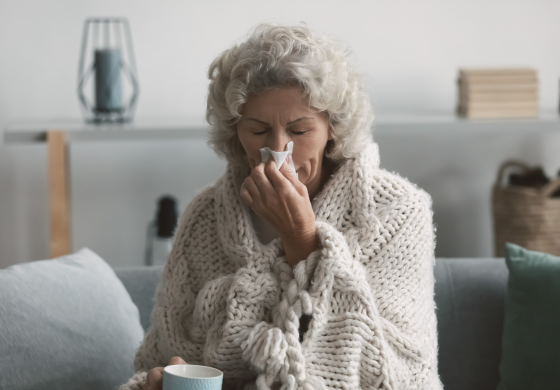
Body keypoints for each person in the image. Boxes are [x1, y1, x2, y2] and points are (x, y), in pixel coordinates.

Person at [119, 23, 442, 390]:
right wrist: (162, 380)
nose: (277, 151)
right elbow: (161, 359)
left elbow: (391, 373)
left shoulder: (397, 212)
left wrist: (301, 236)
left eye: (300, 131)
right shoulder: (205, 216)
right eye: (257, 130)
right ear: (234, 131)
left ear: (333, 127)